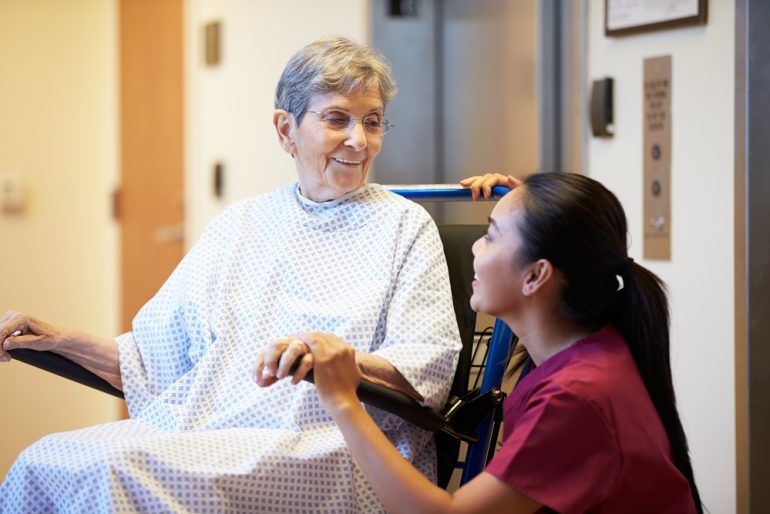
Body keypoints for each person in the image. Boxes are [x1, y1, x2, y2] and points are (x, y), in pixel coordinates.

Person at [0, 36, 461, 513]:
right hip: (206, 431)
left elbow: (427, 367)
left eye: (372, 122)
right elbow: (150, 361)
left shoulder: (403, 225)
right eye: (337, 118)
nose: (359, 141)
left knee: (115, 472)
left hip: (332, 446)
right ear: (286, 130)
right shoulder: (240, 224)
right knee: (44, 461)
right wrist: (58, 339)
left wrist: (336, 360)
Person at [274, 172, 703, 514]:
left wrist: (344, 402)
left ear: (536, 275)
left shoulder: (576, 397)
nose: (475, 249)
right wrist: (525, 205)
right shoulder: (589, 345)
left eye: (492, 234)